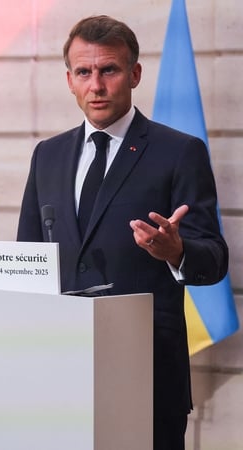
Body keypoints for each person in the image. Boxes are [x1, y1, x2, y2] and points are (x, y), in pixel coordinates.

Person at [16, 15, 227, 450]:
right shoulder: (48, 155)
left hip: (146, 374)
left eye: (108, 70)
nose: (96, 84)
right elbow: (28, 258)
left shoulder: (179, 152)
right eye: (84, 72)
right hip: (59, 368)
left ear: (134, 74)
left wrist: (176, 251)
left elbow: (215, 260)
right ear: (69, 80)